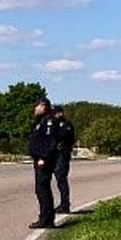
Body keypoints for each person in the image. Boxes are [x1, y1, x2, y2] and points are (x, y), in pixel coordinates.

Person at [28, 97, 59, 229]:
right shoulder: (41, 121)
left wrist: (43, 157)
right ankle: (45, 217)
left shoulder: (49, 122)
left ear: (42, 106)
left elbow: (50, 142)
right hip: (39, 159)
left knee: (43, 189)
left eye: (37, 106)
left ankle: (46, 219)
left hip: (44, 160)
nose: (35, 109)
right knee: (41, 189)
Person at [53, 105, 75, 213]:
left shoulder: (66, 125)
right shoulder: (55, 124)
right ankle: (63, 203)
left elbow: (65, 138)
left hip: (63, 153)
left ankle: (65, 204)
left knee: (61, 178)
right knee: (59, 178)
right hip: (57, 154)